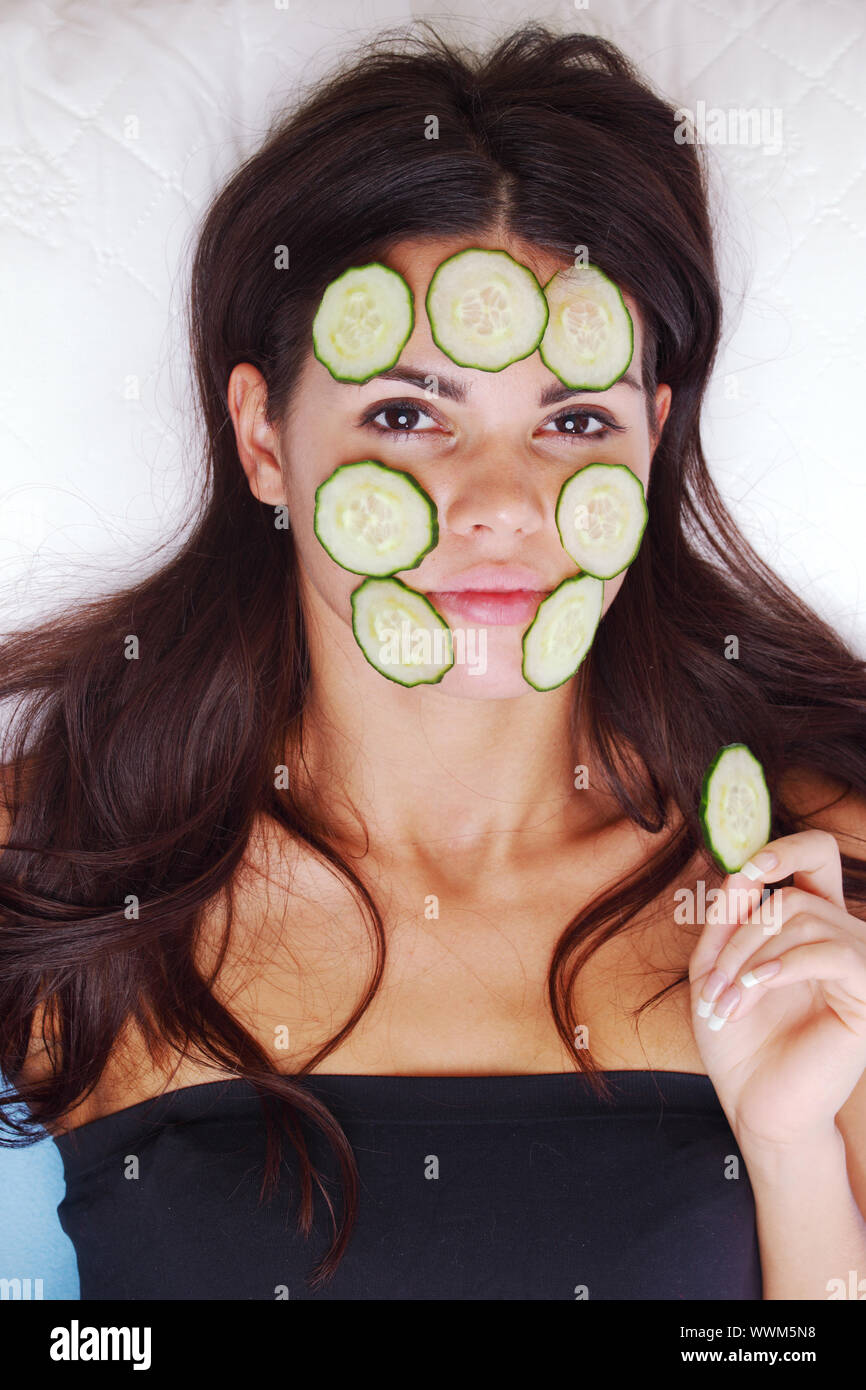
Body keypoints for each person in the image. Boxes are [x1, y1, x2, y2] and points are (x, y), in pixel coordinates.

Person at [2, 21, 866, 1302]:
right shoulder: (53, 865)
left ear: (653, 439)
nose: (501, 503)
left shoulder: (814, 880)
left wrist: (790, 1153)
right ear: (261, 439)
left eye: (573, 420)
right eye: (406, 414)